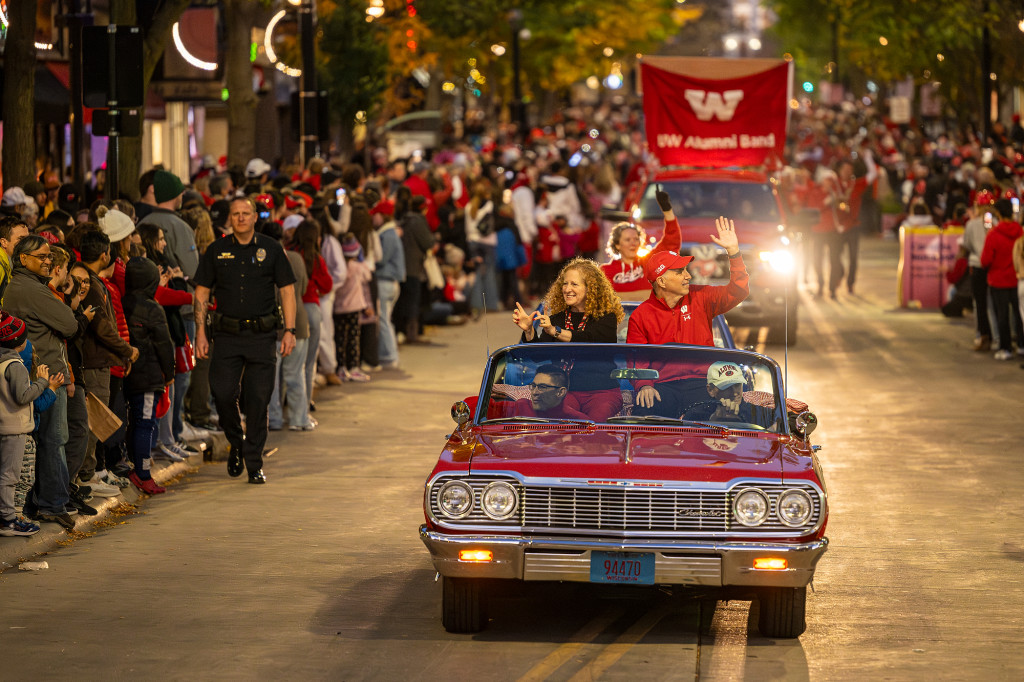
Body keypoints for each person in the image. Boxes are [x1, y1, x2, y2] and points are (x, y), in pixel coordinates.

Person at [193, 197, 297, 484]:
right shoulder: (216, 250)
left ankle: (254, 463)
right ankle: (235, 442)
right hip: (226, 336)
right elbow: (201, 292)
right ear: (230, 218)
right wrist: (200, 332)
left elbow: (287, 291)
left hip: (262, 336)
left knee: (258, 400)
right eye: (236, 214)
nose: (241, 218)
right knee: (223, 394)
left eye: (246, 213)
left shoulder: (271, 249)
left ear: (254, 217)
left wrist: (290, 330)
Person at [627, 216, 748, 415]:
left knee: (732, 413)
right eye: (679, 272)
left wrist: (733, 252)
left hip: (704, 384)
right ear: (662, 282)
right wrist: (644, 385)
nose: (688, 276)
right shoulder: (641, 315)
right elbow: (636, 360)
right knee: (644, 411)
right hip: (662, 386)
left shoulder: (701, 295)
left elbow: (739, 291)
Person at [4, 235, 79, 529]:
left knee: (47, 441)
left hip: (46, 373)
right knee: (52, 440)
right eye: (43, 257)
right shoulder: (30, 290)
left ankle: (50, 500)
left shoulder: (31, 287)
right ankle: (52, 503)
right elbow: (70, 324)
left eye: (50, 257)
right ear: (23, 259)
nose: (49, 261)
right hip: (45, 377)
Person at [512, 257, 623, 421]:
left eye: (574, 284)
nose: (567, 289)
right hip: (565, 392)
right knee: (561, 422)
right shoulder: (557, 319)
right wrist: (529, 331)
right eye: (565, 283)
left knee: (595, 428)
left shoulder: (606, 318)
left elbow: (587, 339)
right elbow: (538, 355)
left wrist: (554, 331)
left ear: (590, 288)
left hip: (602, 392)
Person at [121, 257, 176, 495]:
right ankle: (142, 473)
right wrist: (169, 374)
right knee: (145, 423)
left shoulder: (121, 301)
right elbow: (164, 344)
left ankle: (135, 466)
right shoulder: (152, 308)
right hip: (148, 374)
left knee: (133, 422)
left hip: (127, 372)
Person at [0, 312, 58, 537]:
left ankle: (7, 517)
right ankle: (8, 520)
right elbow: (23, 396)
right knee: (10, 475)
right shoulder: (14, 365)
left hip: (5, 425)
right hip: (13, 428)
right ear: (18, 341)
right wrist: (43, 382)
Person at [600, 186, 682, 301]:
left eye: (636, 239)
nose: (633, 243)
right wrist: (648, 294)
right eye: (627, 240)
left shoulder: (650, 263)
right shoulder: (605, 271)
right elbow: (601, 299)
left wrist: (667, 210)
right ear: (617, 245)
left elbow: (672, 242)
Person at [980, 199, 1024, 360]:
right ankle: (1021, 344)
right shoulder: (1020, 231)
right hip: (1017, 278)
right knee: (1019, 314)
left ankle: (1005, 348)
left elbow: (985, 260)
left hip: (998, 280)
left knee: (1002, 315)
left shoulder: (994, 234)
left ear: (997, 213)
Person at [682, 361, 754, 423]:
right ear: (710, 390)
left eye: (737, 385)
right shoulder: (696, 415)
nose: (735, 393)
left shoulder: (755, 413)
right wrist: (713, 420)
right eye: (727, 387)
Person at [510, 364, 589, 420]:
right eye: (533, 386)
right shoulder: (520, 406)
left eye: (542, 387)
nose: (534, 392)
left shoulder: (579, 421)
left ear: (560, 392)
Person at [1, 216, 31, 303]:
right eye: (21, 239)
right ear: (4, 242)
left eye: (28, 239)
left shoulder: (9, 263)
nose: (27, 244)